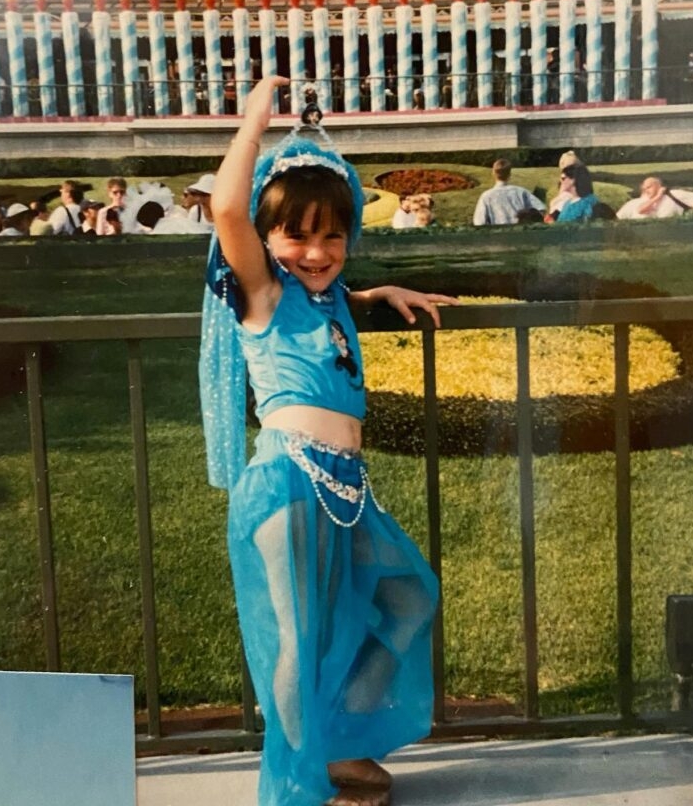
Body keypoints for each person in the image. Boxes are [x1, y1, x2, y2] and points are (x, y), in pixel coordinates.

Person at [200, 76, 457, 806]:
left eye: (331, 235)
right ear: (266, 237)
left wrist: (381, 294)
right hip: (286, 480)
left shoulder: (329, 297)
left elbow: (339, 293)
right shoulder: (263, 294)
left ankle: (339, 743)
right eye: (295, 235)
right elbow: (225, 207)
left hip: (344, 484)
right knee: (298, 638)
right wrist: (254, 121)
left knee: (408, 597)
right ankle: (299, 782)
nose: (315, 251)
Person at [473, 158, 545, 226]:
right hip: (520, 233)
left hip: (497, 236)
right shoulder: (521, 192)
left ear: (493, 174)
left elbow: (479, 222)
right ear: (509, 174)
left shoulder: (486, 196)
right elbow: (541, 209)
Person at [616, 176, 693, 219]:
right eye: (644, 188)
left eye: (649, 187)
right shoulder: (633, 203)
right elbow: (640, 210)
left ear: (659, 186)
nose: (646, 190)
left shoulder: (673, 194)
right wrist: (657, 197)